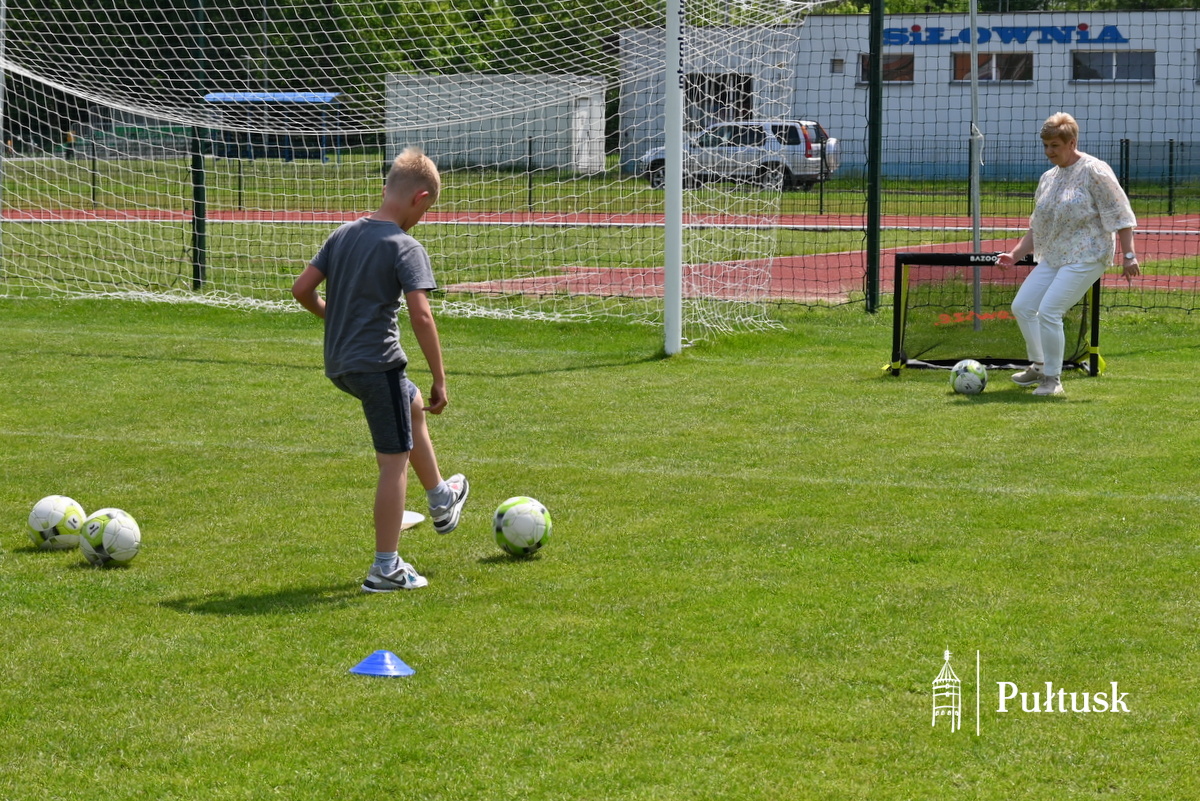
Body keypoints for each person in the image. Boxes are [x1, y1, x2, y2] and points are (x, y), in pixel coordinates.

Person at [291, 147, 469, 592]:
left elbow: (301, 289)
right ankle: (385, 568)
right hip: (378, 363)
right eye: (427, 210)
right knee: (393, 462)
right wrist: (441, 377)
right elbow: (422, 316)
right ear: (420, 197)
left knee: (410, 404)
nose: (422, 219)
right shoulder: (404, 247)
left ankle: (442, 500)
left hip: (341, 364)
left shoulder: (344, 234)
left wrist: (339, 319)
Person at [997, 112, 1139, 397]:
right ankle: (1038, 365)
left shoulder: (1094, 170)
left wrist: (1129, 255)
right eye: (1046, 146)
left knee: (1050, 311)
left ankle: (1053, 380)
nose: (1049, 152)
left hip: (1089, 254)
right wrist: (1013, 255)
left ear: (1071, 142)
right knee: (1022, 306)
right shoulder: (1048, 178)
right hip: (1055, 255)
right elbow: (1038, 227)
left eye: (1055, 146)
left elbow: (1121, 214)